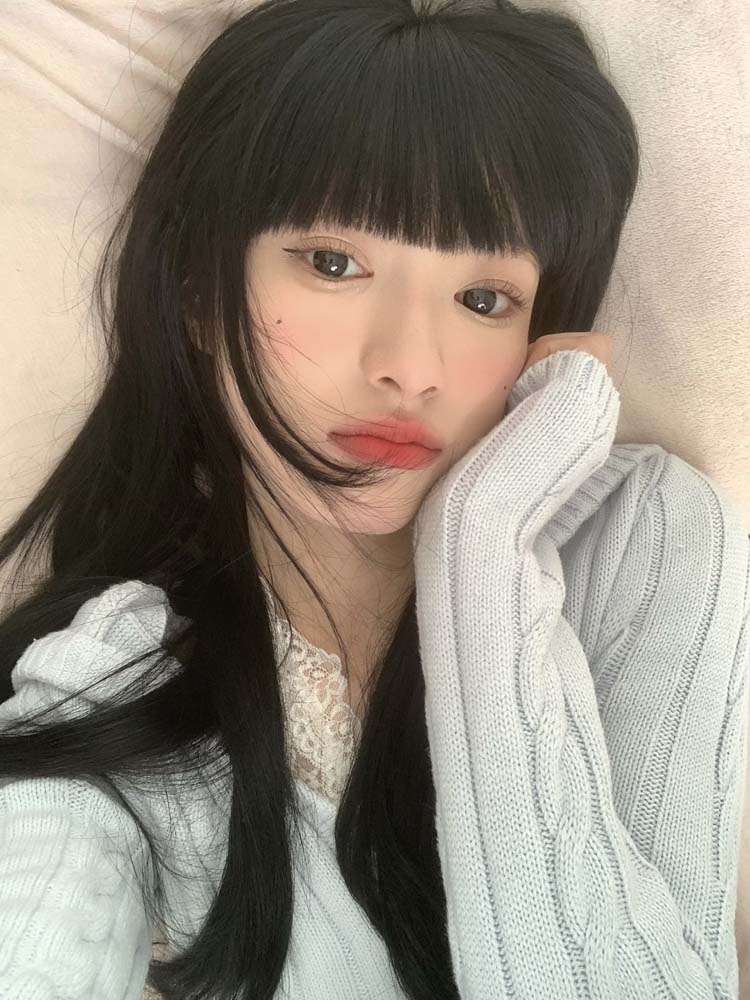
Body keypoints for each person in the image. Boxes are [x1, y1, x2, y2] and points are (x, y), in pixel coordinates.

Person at [0, 0, 748, 997]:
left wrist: (483, 545)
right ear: (198, 295)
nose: (410, 365)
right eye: (333, 263)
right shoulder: (118, 675)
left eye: (484, 299)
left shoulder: (646, 538)